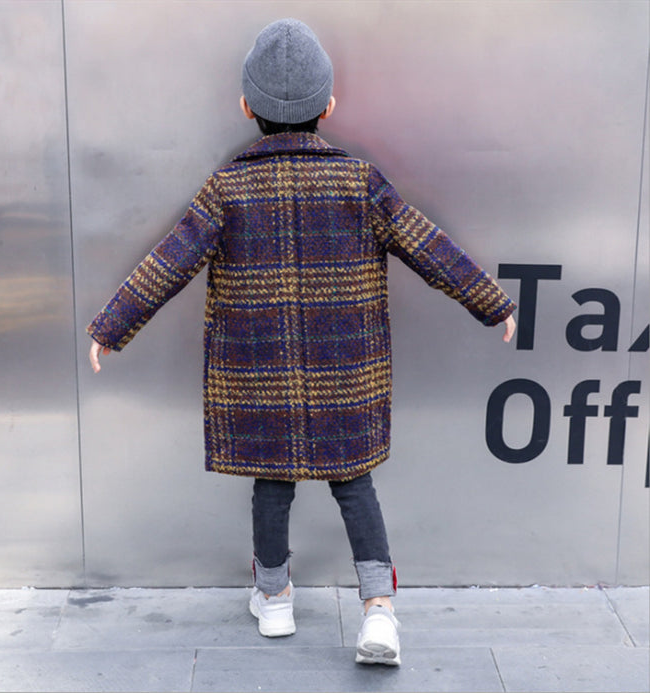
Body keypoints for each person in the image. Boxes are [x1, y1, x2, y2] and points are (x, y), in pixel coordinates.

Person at [87, 18, 517, 666]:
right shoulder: (360, 182)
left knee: (271, 484)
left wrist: (111, 326)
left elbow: (169, 262)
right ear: (329, 106)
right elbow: (427, 245)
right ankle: (379, 611)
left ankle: (275, 597)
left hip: (261, 375)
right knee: (355, 485)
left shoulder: (228, 189)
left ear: (246, 108)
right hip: (346, 373)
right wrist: (490, 301)